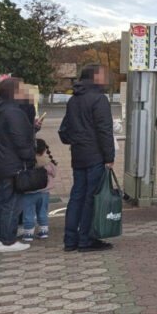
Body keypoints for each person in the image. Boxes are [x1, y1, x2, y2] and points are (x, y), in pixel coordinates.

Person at [59, 64, 117, 250]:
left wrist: (77, 141)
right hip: (95, 155)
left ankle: (70, 240)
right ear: (94, 78)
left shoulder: (73, 100)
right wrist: (109, 156)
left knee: (77, 196)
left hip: (78, 154)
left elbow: (64, 130)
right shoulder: (99, 99)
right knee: (91, 197)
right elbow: (104, 130)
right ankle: (86, 239)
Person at [0, 77, 35, 253]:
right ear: (14, 91)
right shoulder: (14, 112)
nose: (24, 91)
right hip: (13, 164)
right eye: (22, 88)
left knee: (0, 202)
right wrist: (29, 159)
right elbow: (21, 140)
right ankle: (7, 241)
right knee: (12, 203)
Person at [20, 139, 56, 242]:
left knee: (28, 213)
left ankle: (28, 233)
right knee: (43, 211)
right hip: (45, 192)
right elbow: (54, 173)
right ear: (45, 150)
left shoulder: (27, 162)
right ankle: (44, 231)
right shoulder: (48, 162)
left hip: (29, 192)